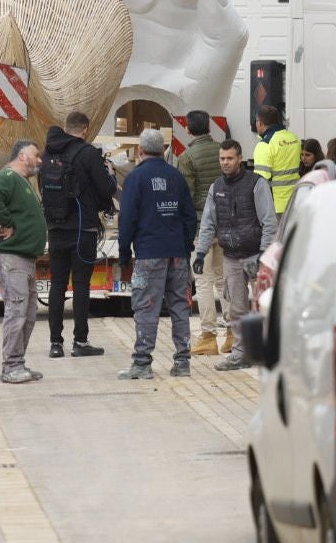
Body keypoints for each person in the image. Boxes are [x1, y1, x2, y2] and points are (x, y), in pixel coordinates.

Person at [117, 128, 198, 380]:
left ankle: (142, 364)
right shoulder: (176, 177)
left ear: (140, 151)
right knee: (180, 307)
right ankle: (183, 362)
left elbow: (127, 219)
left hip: (149, 255)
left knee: (146, 307)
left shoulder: (135, 178)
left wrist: (123, 253)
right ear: (163, 150)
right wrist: (184, 248)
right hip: (177, 254)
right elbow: (189, 217)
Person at [192, 140, 277, 371]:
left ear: (240, 158)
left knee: (264, 306)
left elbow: (269, 222)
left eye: (229, 158)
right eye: (222, 159)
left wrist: (263, 255)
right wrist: (201, 253)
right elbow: (208, 222)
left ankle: (270, 353)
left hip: (255, 256)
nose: (225, 163)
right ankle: (241, 354)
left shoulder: (256, 184)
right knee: (236, 309)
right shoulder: (216, 187)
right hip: (231, 257)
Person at [39, 111, 114, 360]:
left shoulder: (48, 153)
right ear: (85, 130)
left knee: (57, 283)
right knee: (81, 284)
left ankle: (55, 343)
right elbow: (106, 188)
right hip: (83, 228)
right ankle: (80, 341)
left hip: (55, 227)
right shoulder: (88, 153)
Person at [0, 140, 48, 384]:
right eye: (35, 154)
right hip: (11, 258)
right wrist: (5, 223)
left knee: (29, 313)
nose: (39, 159)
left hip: (23, 258)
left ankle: (18, 363)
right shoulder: (8, 177)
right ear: (22, 156)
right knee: (17, 311)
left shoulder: (23, 182)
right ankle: (10, 367)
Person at [174, 110, 226, 357]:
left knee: (203, 281)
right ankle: (234, 333)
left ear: (187, 129)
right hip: (225, 223)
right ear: (209, 127)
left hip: (200, 225)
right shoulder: (222, 152)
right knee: (223, 278)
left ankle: (208, 336)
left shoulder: (186, 157)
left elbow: (187, 196)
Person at [252, 106, 303, 218]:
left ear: (260, 123)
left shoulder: (265, 145)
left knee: (277, 235)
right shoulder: (294, 138)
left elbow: (260, 181)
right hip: (296, 200)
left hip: (277, 205)